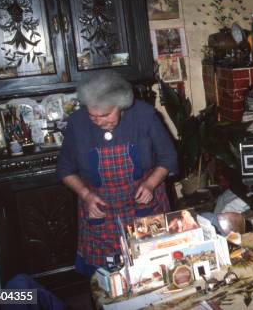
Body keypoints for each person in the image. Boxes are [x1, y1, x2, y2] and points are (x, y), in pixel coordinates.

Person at [57, 72, 178, 278]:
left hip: (144, 205)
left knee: (152, 269)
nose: (98, 122)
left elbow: (168, 157)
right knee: (109, 279)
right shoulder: (77, 123)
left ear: (121, 106)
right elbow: (65, 169)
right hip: (100, 211)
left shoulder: (144, 115)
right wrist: (86, 195)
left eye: (105, 115)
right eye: (92, 116)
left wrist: (150, 184)